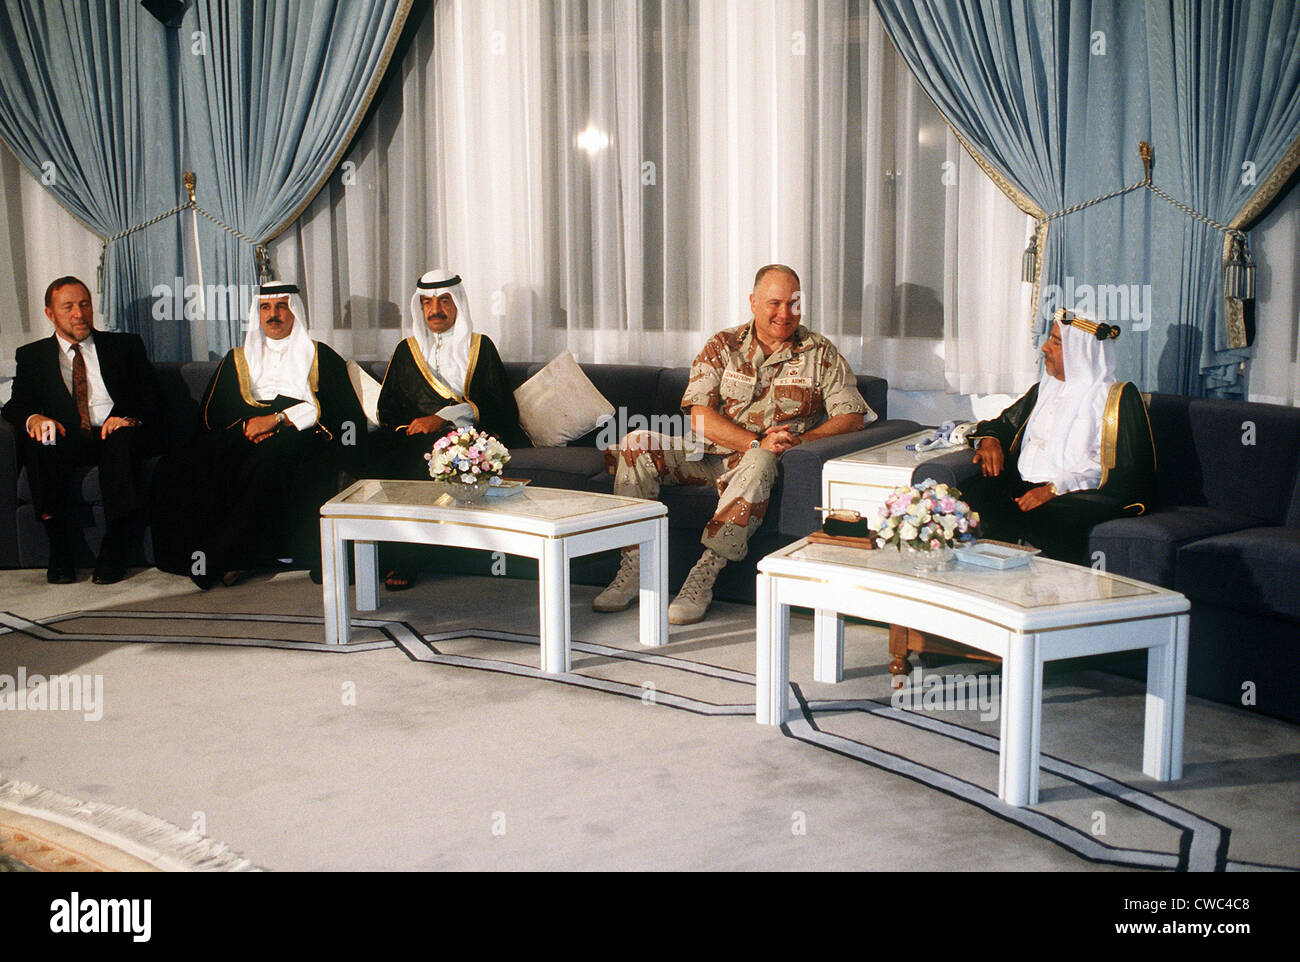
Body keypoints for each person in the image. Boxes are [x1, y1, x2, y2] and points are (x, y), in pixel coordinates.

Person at [593, 264, 873, 624]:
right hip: (705, 456)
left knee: (759, 460)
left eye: (793, 304)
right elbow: (699, 416)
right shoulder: (723, 345)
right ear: (754, 302)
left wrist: (802, 439)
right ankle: (633, 569)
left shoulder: (819, 353)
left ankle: (703, 576)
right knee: (635, 441)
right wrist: (754, 440)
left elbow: (851, 416)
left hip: (762, 465)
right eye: (775, 303)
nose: (784, 314)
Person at [151, 282, 365, 588]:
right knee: (186, 462)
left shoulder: (320, 355)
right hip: (244, 433)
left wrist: (278, 419)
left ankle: (218, 558)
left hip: (300, 435)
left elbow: (341, 415)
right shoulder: (237, 358)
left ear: (295, 311)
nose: (273, 315)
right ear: (257, 313)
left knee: (268, 462)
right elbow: (213, 415)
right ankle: (202, 553)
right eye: (266, 307)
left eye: (282, 306)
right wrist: (248, 427)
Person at [959, 309, 1156, 565]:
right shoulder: (1045, 389)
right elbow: (1005, 423)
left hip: (1076, 494)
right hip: (1027, 483)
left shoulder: (1114, 398)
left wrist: (1053, 489)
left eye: (1056, 341)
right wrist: (990, 440)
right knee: (967, 494)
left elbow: (1114, 465)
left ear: (1081, 350)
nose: (1044, 348)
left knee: (1048, 518)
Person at [2, 276, 162, 584]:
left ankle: (114, 546)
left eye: (85, 304)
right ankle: (59, 548)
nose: (79, 313)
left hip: (112, 432)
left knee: (120, 440)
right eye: (69, 307)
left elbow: (151, 396)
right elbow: (15, 405)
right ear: (50, 313)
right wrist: (34, 418)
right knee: (42, 441)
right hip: (68, 436)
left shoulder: (124, 345)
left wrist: (128, 418)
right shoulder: (32, 356)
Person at [374, 268, 524, 590]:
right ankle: (368, 554)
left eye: (444, 300)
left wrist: (443, 417)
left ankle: (409, 559)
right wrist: (412, 426)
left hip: (466, 434)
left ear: (458, 303)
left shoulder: (480, 347)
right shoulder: (406, 349)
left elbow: (499, 407)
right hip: (413, 437)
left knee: (429, 458)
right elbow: (387, 408)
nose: (435, 310)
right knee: (375, 456)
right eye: (426, 302)